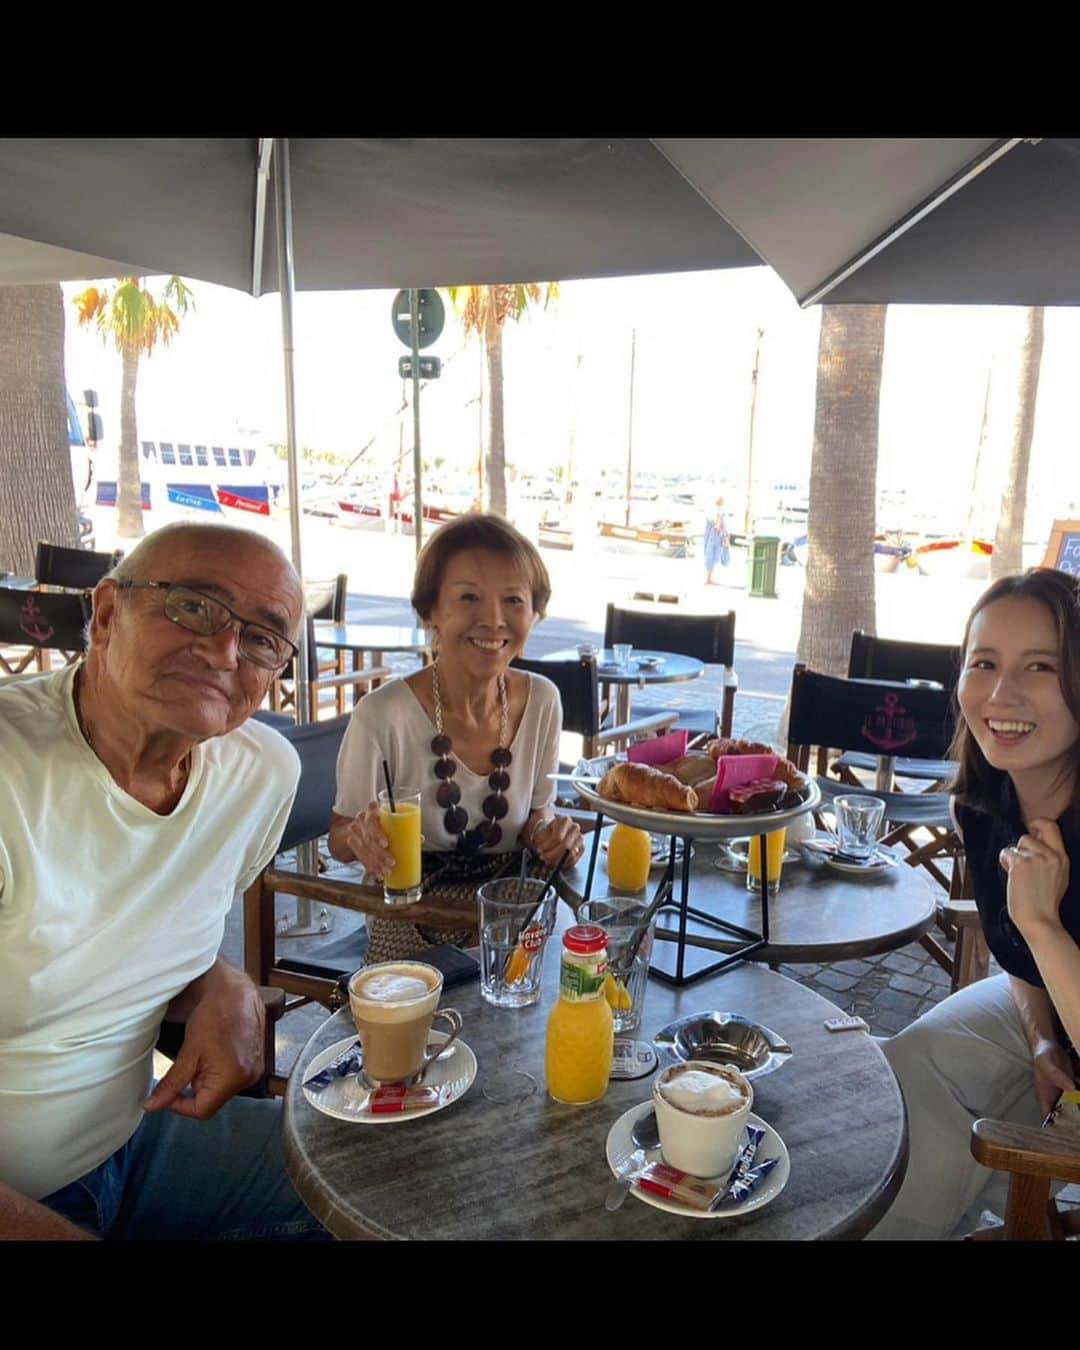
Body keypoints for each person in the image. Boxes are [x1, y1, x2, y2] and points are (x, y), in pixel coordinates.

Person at [0, 521, 328, 1240]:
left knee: (381, 1186)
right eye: (193, 605)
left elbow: (137, 929)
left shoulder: (259, 773)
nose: (222, 651)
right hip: (23, 1185)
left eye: (263, 639)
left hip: (139, 1131)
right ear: (109, 614)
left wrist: (221, 984)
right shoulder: (11, 772)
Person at [871, 567, 1080, 1240]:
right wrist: (1043, 1037)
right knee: (911, 1065)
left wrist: (1043, 923)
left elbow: (1031, 937)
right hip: (1063, 1019)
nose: (1000, 692)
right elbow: (1018, 962)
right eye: (983, 662)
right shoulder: (986, 806)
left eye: (1040, 666)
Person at [330, 513, 584, 962]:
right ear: (431, 611)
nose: (493, 620)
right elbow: (339, 836)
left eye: (514, 601)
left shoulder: (543, 701)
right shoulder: (382, 715)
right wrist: (360, 837)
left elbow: (535, 815)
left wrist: (550, 835)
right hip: (412, 917)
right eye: (469, 597)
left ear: (534, 615)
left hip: (511, 915)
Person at [703, 495, 730, 584]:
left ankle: (709, 578)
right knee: (713, 556)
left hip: (713, 536)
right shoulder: (718, 511)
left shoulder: (715, 510)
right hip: (715, 536)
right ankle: (709, 579)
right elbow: (718, 525)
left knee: (712, 556)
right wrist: (725, 535)